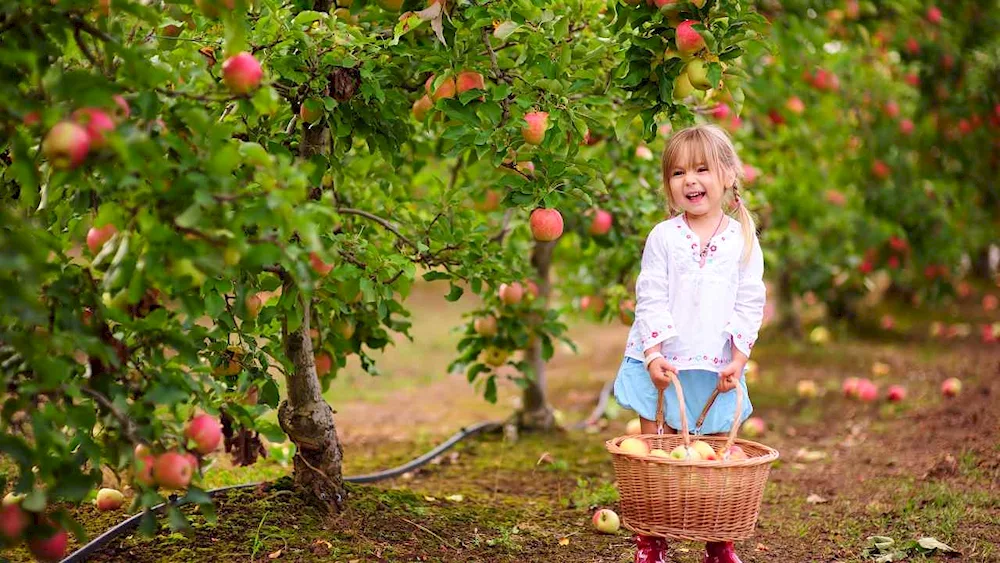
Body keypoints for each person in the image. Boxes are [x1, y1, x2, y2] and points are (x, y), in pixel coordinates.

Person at [613, 124, 766, 563]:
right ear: (669, 185)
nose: (690, 180)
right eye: (678, 173)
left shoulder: (742, 240)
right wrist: (654, 352)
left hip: (715, 365)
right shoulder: (663, 236)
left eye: (702, 169)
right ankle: (652, 540)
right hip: (662, 361)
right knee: (655, 456)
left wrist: (738, 358)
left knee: (715, 458)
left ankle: (717, 541)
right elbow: (652, 295)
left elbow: (750, 300)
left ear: (728, 176)